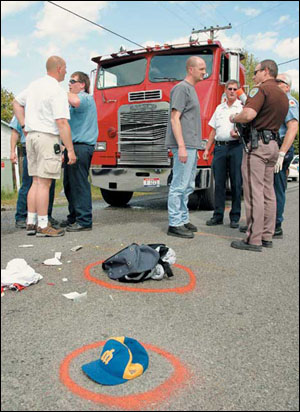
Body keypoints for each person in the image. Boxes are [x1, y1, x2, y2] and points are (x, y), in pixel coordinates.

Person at [13, 56, 76, 237]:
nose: (66, 71)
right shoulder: (56, 90)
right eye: (65, 68)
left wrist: (24, 125)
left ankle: (31, 221)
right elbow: (62, 122)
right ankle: (43, 224)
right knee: (44, 184)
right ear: (58, 68)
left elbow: (16, 103)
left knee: (35, 181)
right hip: (47, 137)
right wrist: (70, 150)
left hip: (31, 138)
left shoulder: (35, 85)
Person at [229, 59, 289, 252]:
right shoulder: (282, 94)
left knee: (254, 192)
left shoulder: (261, 90)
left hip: (258, 146)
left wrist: (234, 117)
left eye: (255, 72)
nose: (253, 76)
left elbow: (248, 115)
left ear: (265, 71)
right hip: (273, 145)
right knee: (268, 193)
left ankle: (253, 239)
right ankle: (266, 235)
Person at [165, 56, 206, 238]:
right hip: (184, 146)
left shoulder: (191, 89)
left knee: (188, 185)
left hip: (191, 146)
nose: (205, 72)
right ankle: (174, 223)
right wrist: (181, 146)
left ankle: (182, 218)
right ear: (191, 69)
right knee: (178, 185)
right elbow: (175, 118)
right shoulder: (181, 89)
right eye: (202, 69)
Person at [60, 71, 98, 231]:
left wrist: (58, 91)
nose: (69, 84)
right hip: (72, 146)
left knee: (79, 184)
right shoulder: (75, 101)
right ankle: (74, 217)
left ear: (82, 84)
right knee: (69, 184)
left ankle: (84, 221)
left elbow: (74, 100)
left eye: (72, 81)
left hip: (81, 147)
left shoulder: (85, 97)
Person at [204, 80, 243, 228]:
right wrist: (207, 149)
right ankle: (218, 216)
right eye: (230, 89)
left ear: (238, 91)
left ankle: (234, 217)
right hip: (219, 148)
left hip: (235, 147)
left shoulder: (241, 107)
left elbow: (246, 129)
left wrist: (239, 134)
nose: (232, 91)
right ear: (225, 90)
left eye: (235, 89)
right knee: (219, 183)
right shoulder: (219, 108)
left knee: (236, 183)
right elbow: (213, 130)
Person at [9, 116, 58, 229]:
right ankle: (21, 217)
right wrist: (12, 151)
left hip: (47, 145)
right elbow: (15, 132)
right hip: (31, 147)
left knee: (48, 184)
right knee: (29, 183)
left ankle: (46, 215)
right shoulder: (23, 109)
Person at [273, 73, 299, 238]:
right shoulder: (278, 102)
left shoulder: (289, 102)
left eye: (279, 82)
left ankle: (276, 224)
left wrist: (282, 153)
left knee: (277, 187)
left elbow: (293, 127)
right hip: (274, 146)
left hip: (281, 148)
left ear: (287, 86)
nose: (275, 83)